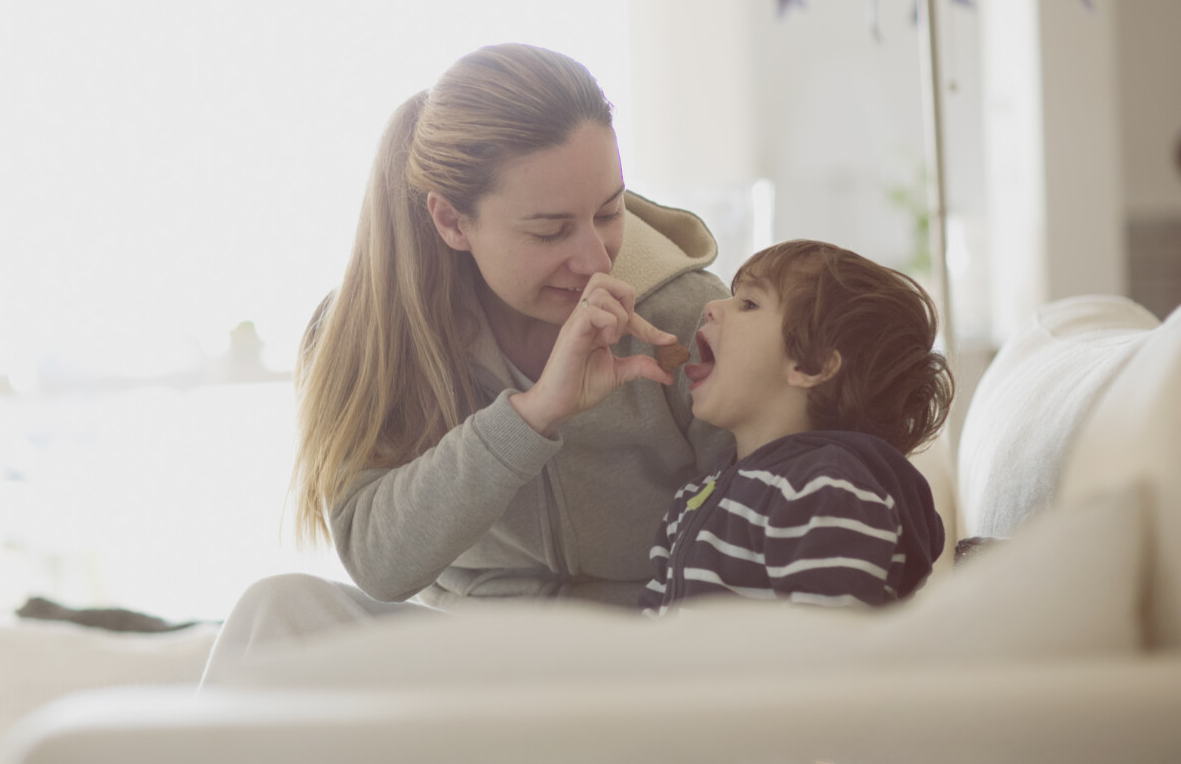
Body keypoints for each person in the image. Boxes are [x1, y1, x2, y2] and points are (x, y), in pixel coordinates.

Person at [201, 43, 733, 682]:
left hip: (640, 662)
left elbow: (761, 527)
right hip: (471, 661)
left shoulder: (685, 314)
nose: (595, 258)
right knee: (275, 614)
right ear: (452, 221)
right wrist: (533, 416)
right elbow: (380, 564)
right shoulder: (368, 333)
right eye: (549, 231)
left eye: (609, 210)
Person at [638, 240, 952, 614]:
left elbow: (826, 648)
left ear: (812, 366)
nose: (711, 306)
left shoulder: (827, 491)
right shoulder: (693, 497)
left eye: (750, 304)